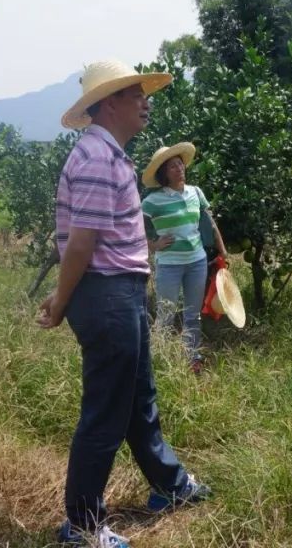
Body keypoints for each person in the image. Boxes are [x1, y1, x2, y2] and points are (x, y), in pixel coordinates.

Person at [37, 60, 211, 548]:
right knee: (106, 411)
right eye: (137, 95)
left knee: (137, 400)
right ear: (110, 101)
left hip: (121, 291)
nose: (146, 102)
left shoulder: (109, 154)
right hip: (106, 293)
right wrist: (61, 299)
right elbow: (80, 244)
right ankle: (83, 526)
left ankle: (169, 487)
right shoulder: (95, 157)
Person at [141, 142, 228, 375]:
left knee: (192, 313)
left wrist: (223, 251)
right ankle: (159, 358)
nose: (179, 168)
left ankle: (193, 357)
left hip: (196, 262)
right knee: (166, 313)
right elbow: (133, 230)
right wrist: (154, 244)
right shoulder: (152, 200)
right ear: (163, 174)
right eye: (172, 166)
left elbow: (209, 222)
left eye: (180, 164)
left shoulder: (196, 192)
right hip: (169, 264)